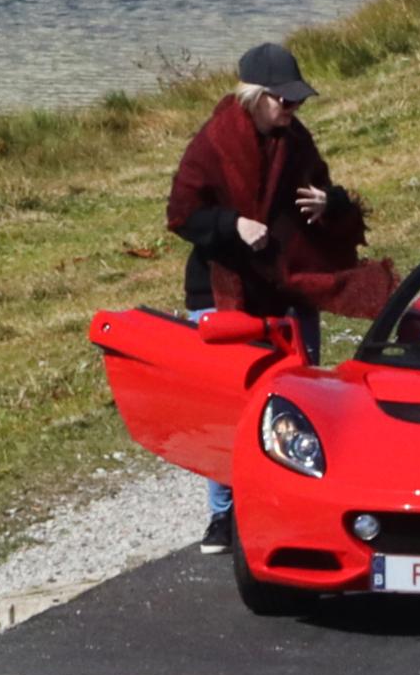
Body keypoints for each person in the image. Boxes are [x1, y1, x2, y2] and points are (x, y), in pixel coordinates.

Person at [167, 43, 397, 553]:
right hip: (222, 288)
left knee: (299, 397)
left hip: (287, 284)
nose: (292, 111)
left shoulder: (297, 141)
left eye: (297, 103)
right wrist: (234, 224)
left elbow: (326, 200)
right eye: (284, 102)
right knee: (232, 405)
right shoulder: (211, 144)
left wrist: (330, 203)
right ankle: (223, 518)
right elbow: (182, 215)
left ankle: (293, 505)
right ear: (254, 97)